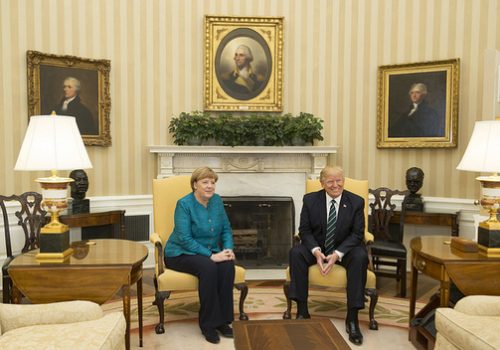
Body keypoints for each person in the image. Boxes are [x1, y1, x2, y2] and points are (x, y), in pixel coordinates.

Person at [288, 166, 368, 346]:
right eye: (330, 181)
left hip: (345, 248)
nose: (335, 185)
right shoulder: (310, 200)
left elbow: (357, 234)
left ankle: (352, 318)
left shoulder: (356, 202)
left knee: (360, 256)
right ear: (322, 183)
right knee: (296, 253)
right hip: (318, 246)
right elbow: (305, 231)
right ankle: (302, 311)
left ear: (344, 181)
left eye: (339, 180)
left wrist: (337, 255)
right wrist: (316, 251)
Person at [164, 167, 235, 344]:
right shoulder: (184, 204)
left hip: (209, 251)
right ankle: (208, 325)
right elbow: (184, 238)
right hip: (179, 253)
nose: (210, 186)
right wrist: (210, 256)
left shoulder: (217, 201)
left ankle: (223, 321)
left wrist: (227, 250)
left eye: (213, 182)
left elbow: (226, 229)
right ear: (195, 185)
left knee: (227, 265)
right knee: (208, 267)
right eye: (205, 182)